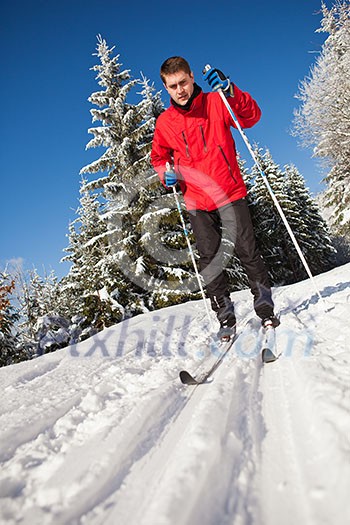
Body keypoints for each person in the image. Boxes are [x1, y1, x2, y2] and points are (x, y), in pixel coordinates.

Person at [151, 56, 279, 337]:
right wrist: (165, 174)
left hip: (229, 190)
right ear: (166, 88)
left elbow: (251, 117)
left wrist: (231, 90)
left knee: (248, 251)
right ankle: (225, 318)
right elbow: (159, 157)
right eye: (173, 86)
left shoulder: (216, 101)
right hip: (197, 198)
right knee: (210, 261)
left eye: (183, 82)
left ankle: (265, 309)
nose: (180, 90)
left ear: (192, 77)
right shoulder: (165, 123)